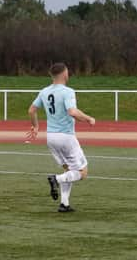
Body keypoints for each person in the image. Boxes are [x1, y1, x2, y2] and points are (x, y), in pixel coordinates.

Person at [26, 63, 95, 212]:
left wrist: (36, 126)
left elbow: (31, 110)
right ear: (65, 74)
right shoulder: (67, 91)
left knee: (68, 170)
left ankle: (64, 204)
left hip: (51, 137)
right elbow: (72, 112)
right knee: (82, 173)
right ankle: (55, 179)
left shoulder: (44, 91)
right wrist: (89, 118)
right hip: (66, 137)